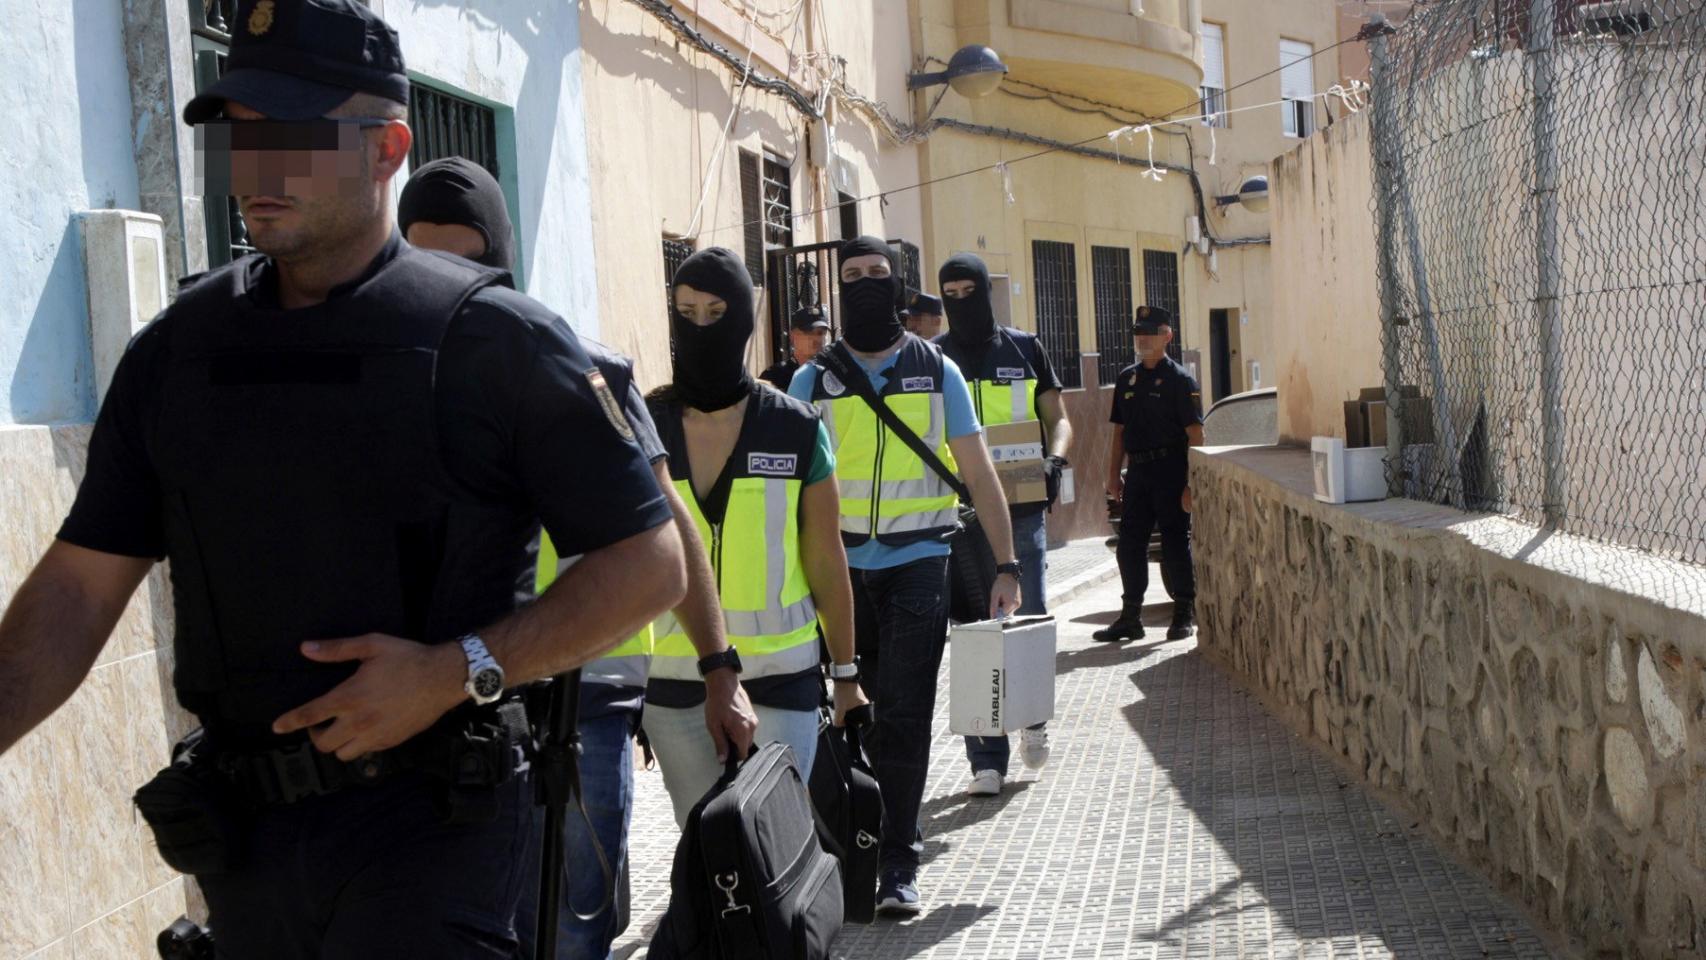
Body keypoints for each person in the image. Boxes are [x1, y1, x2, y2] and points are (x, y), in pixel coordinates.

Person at [0, 3, 688, 956]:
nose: (257, 169)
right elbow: (79, 588)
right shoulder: (176, 354)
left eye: (292, 135)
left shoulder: (498, 342)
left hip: (433, 838)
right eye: (241, 136)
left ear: (387, 149)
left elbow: (649, 565)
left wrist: (455, 672)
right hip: (246, 852)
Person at [399, 161, 755, 959]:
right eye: (426, 259)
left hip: (582, 700)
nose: (451, 284)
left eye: (469, 259)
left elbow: (669, 530)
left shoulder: (580, 369)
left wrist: (719, 668)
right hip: (437, 699)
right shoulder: (390, 378)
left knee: (570, 926)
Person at [789, 235, 1021, 916]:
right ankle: (851, 843)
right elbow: (787, 494)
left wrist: (1007, 564)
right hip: (838, 572)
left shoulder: (936, 370)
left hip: (920, 562)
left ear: (896, 284)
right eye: (852, 274)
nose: (865, 283)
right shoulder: (812, 381)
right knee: (848, 713)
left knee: (905, 712)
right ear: (838, 287)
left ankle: (897, 861)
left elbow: (978, 471)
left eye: (877, 274)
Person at [641, 247, 869, 827]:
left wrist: (845, 674)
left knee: (777, 839)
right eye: (686, 313)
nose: (700, 326)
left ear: (743, 319)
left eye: (716, 313)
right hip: (675, 683)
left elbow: (826, 559)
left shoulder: (795, 427)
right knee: (704, 842)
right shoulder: (648, 424)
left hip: (782, 680)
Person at [932, 253, 1071, 798]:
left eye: (968, 290)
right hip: (961, 513)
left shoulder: (1025, 348)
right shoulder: (934, 358)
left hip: (1021, 506)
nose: (959, 301)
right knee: (975, 631)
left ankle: (1033, 718)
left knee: (1026, 613)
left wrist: (1054, 460)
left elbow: (1058, 419)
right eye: (950, 293)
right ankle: (985, 760)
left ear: (986, 291)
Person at [1094, 305, 1203, 643]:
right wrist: (1113, 474)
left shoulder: (1180, 381)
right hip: (1138, 472)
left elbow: (1196, 435)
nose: (1142, 339)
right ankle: (1130, 617)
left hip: (1171, 471)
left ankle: (1183, 613)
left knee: (1174, 542)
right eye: (1138, 333)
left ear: (1167, 336)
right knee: (1129, 544)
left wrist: (1192, 484)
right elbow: (1119, 431)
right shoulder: (1127, 379)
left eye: (1150, 333)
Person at [758, 305, 831, 391]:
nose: (816, 338)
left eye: (820, 333)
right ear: (793, 336)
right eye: (809, 332)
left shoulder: (832, 374)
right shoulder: (775, 376)